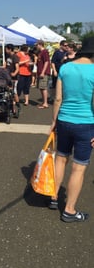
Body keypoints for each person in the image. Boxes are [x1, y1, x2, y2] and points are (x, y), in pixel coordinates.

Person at [48, 36, 94, 222]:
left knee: (60, 158)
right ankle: (69, 210)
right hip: (86, 123)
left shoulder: (65, 67)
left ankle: (53, 197)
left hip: (64, 120)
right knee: (78, 168)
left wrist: (54, 122)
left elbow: (58, 98)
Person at [4, 44, 20, 116]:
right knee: (8, 92)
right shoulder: (7, 56)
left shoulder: (15, 57)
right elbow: (5, 65)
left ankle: (18, 106)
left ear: (9, 49)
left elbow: (17, 68)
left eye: (6, 49)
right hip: (7, 77)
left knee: (14, 92)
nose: (5, 50)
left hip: (14, 78)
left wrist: (14, 73)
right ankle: (11, 108)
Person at [36, 40, 51, 109]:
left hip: (44, 73)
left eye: (37, 45)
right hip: (40, 72)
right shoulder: (40, 52)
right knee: (41, 88)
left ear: (40, 45)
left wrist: (42, 72)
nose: (36, 46)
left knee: (43, 87)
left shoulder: (45, 52)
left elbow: (46, 62)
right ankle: (44, 102)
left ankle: (45, 103)